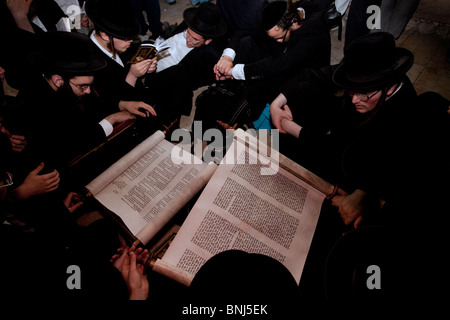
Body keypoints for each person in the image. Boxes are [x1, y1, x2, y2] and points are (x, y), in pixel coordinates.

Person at [212, 0, 331, 122]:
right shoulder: (287, 13)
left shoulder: (314, 34)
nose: (278, 40)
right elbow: (242, 32)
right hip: (284, 58)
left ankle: (242, 114)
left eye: (280, 38)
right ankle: (229, 90)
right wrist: (227, 58)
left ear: (293, 23)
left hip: (302, 75)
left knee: (260, 83)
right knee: (247, 43)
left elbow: (279, 64)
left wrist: (234, 72)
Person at [143, 1, 228, 122]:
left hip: (166, 81)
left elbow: (192, 81)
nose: (188, 40)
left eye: (194, 40)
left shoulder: (211, 54)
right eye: (188, 33)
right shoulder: (191, 23)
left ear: (208, 41)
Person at [86, 0, 158, 119]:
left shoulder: (122, 43)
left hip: (144, 92)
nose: (131, 40)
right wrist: (132, 75)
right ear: (105, 35)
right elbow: (113, 104)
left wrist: (147, 70)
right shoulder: (89, 63)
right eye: (125, 37)